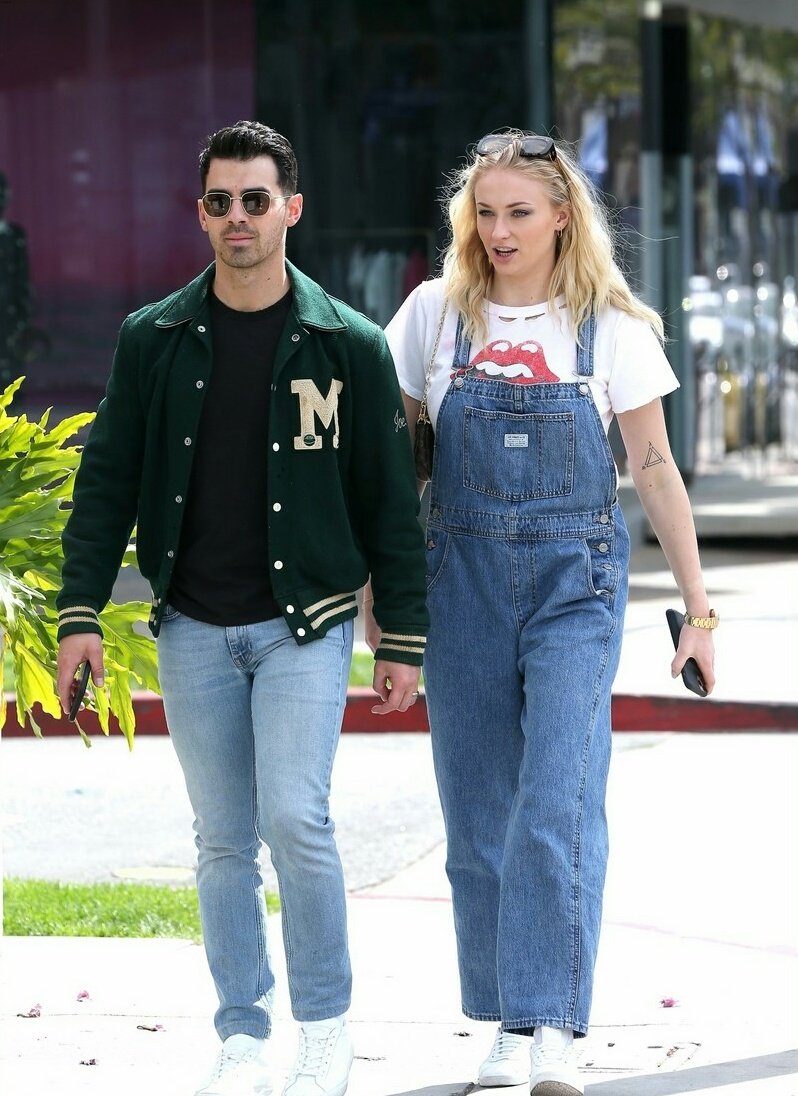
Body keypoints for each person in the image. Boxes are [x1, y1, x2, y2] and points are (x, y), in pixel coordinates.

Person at [56, 120, 428, 1096]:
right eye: (219, 201)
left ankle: (326, 1027)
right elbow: (106, 484)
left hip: (305, 624)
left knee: (295, 818)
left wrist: (405, 636)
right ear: (201, 213)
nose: (237, 219)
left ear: (291, 209)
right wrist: (82, 614)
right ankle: (242, 1032)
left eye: (255, 200)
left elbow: (389, 499)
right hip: (192, 625)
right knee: (221, 838)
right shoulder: (155, 340)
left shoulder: (347, 343)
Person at [378, 130, 717, 1096]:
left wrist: (700, 611)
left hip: (578, 585)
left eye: (519, 212)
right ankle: (506, 1018)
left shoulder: (608, 326)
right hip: (461, 579)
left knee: (556, 801)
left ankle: (556, 1026)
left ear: (563, 215)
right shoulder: (433, 319)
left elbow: (653, 470)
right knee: (478, 809)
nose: (498, 231)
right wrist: (382, 594)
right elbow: (401, 463)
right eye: (484, 213)